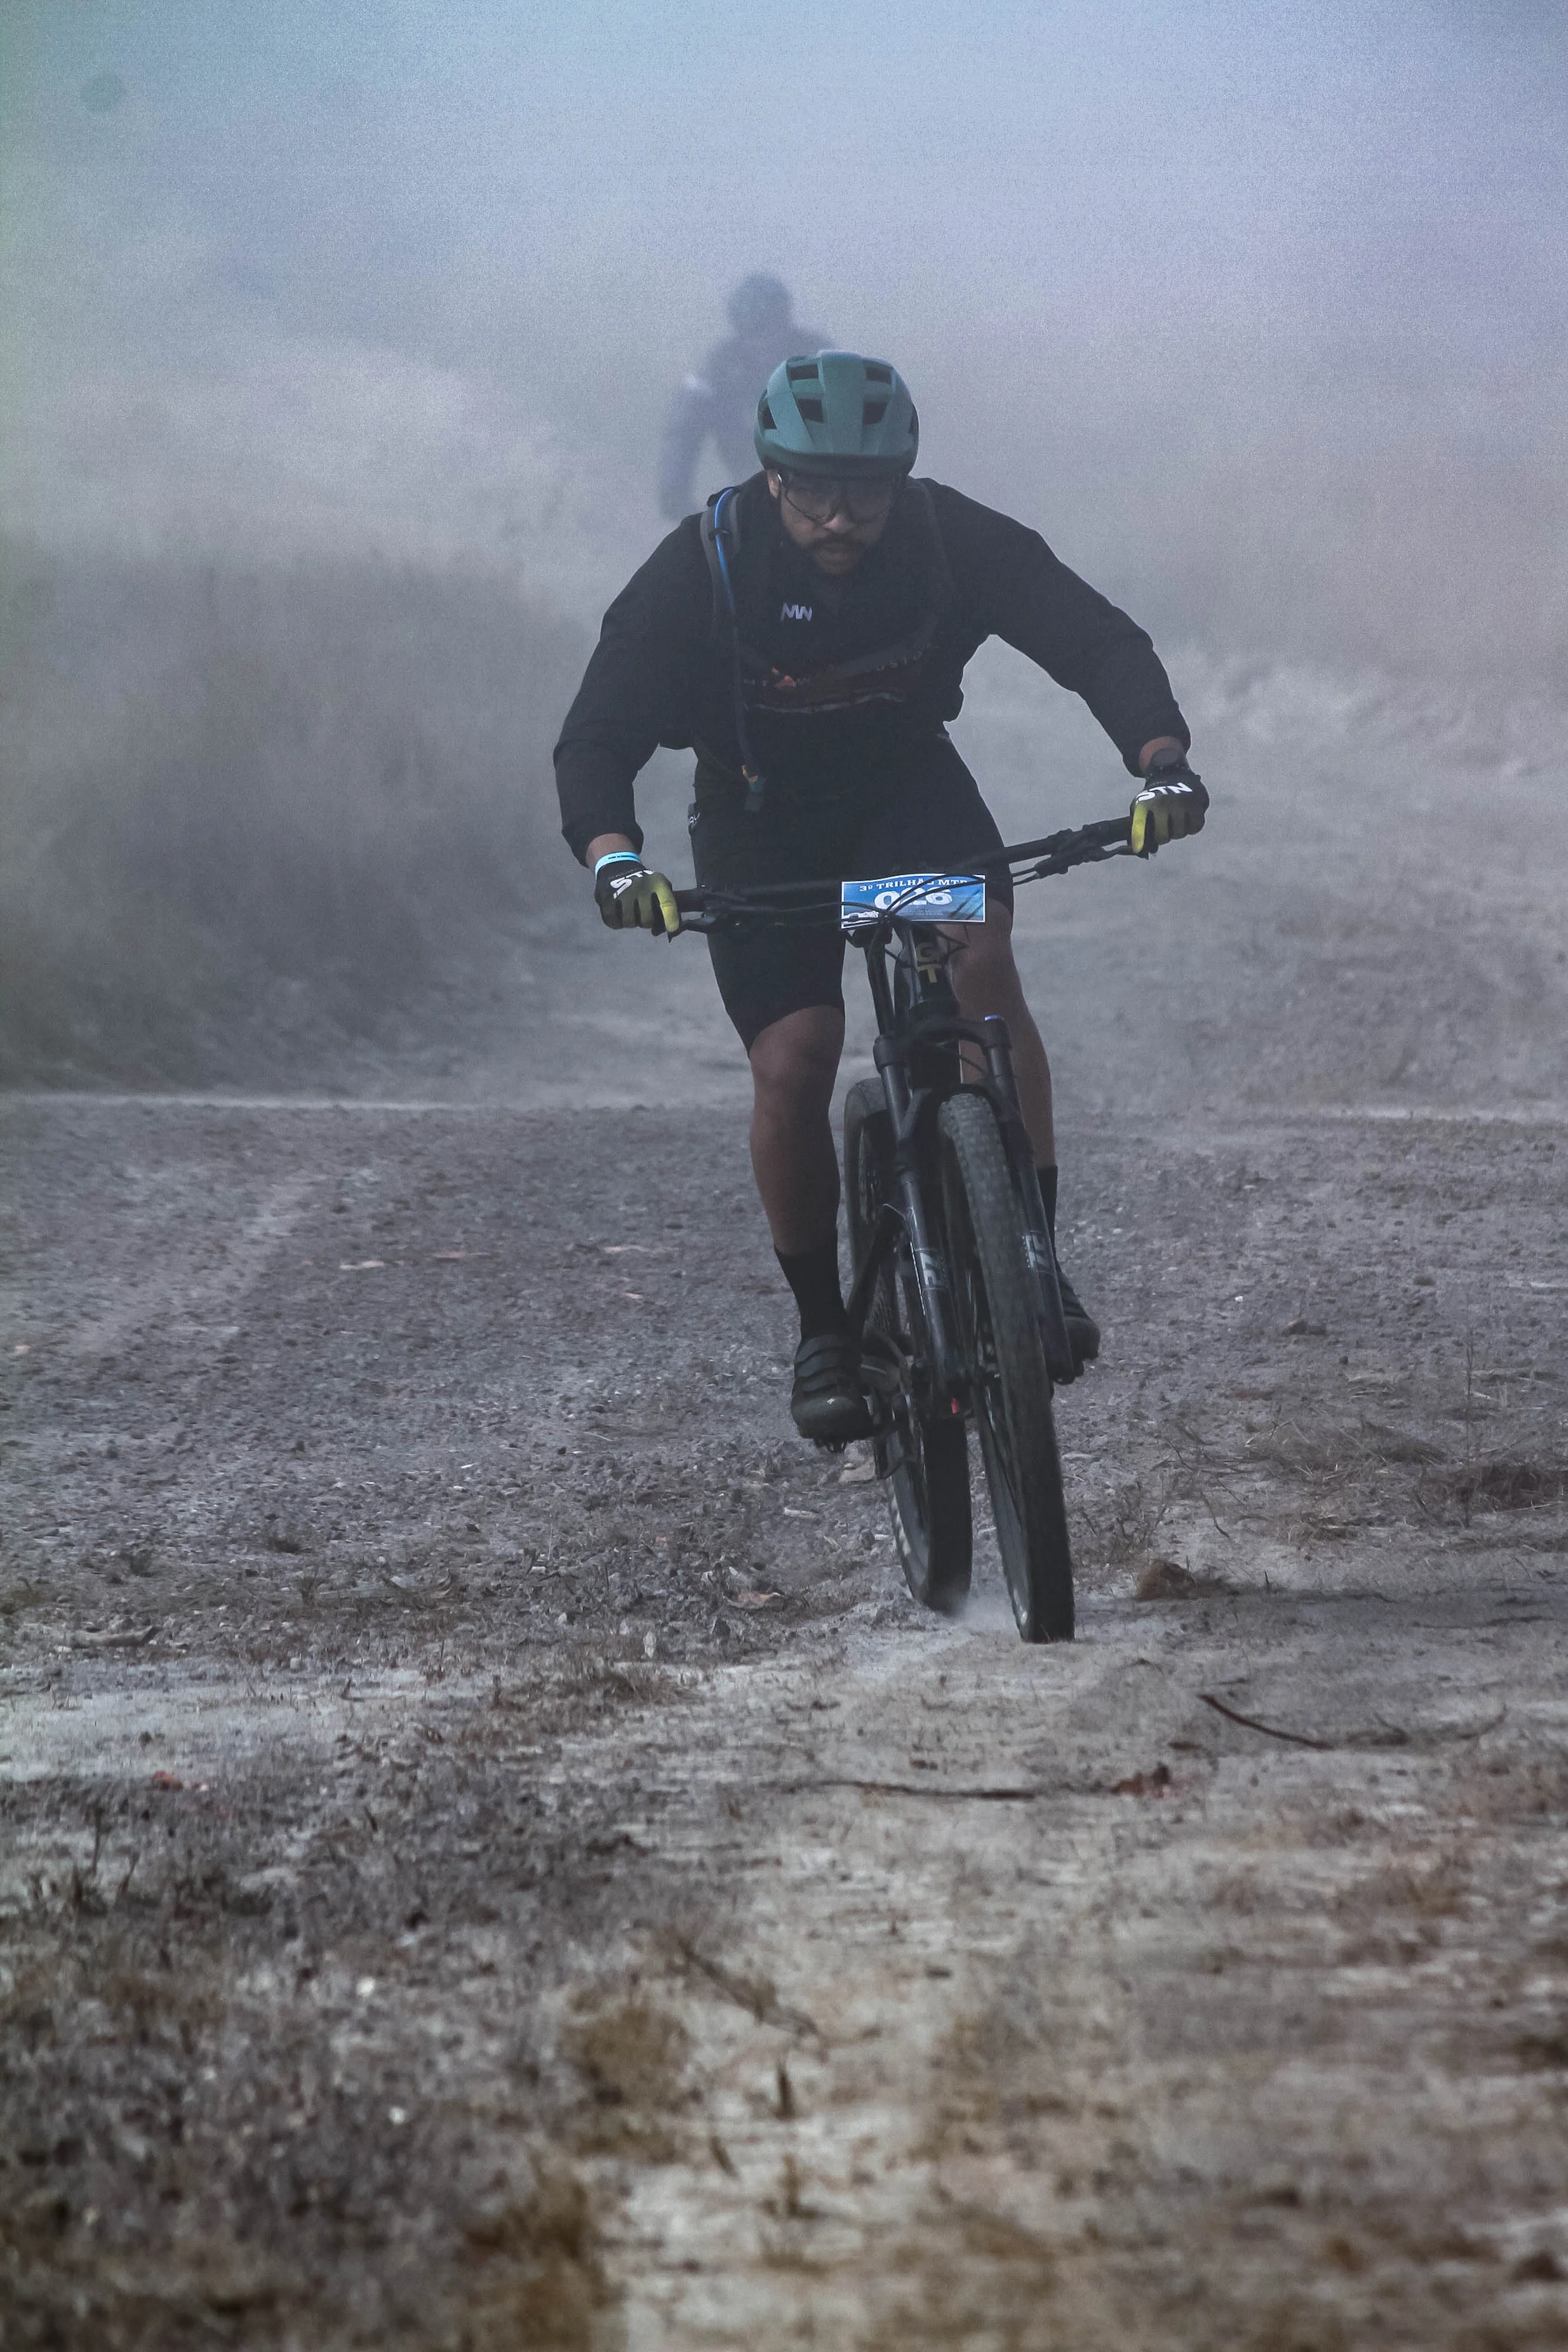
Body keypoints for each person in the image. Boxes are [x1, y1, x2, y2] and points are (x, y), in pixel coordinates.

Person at [555, 350, 1206, 1443]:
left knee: (978, 958)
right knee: (795, 1056)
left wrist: (1161, 757)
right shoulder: (704, 564)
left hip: (906, 797)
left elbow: (1091, 635)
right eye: (813, 488)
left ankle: (1030, 1259)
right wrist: (615, 856)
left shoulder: (945, 536)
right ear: (770, 476)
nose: (841, 515)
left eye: (866, 489)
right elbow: (598, 734)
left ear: (901, 478)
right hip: (763, 825)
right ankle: (824, 1332)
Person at [656, 275, 828, 523]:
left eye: (772, 327)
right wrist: (674, 489)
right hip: (749, 478)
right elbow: (684, 428)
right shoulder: (718, 367)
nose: (763, 341)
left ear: (786, 321)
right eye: (752, 331)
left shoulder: (817, 357)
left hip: (822, 481)